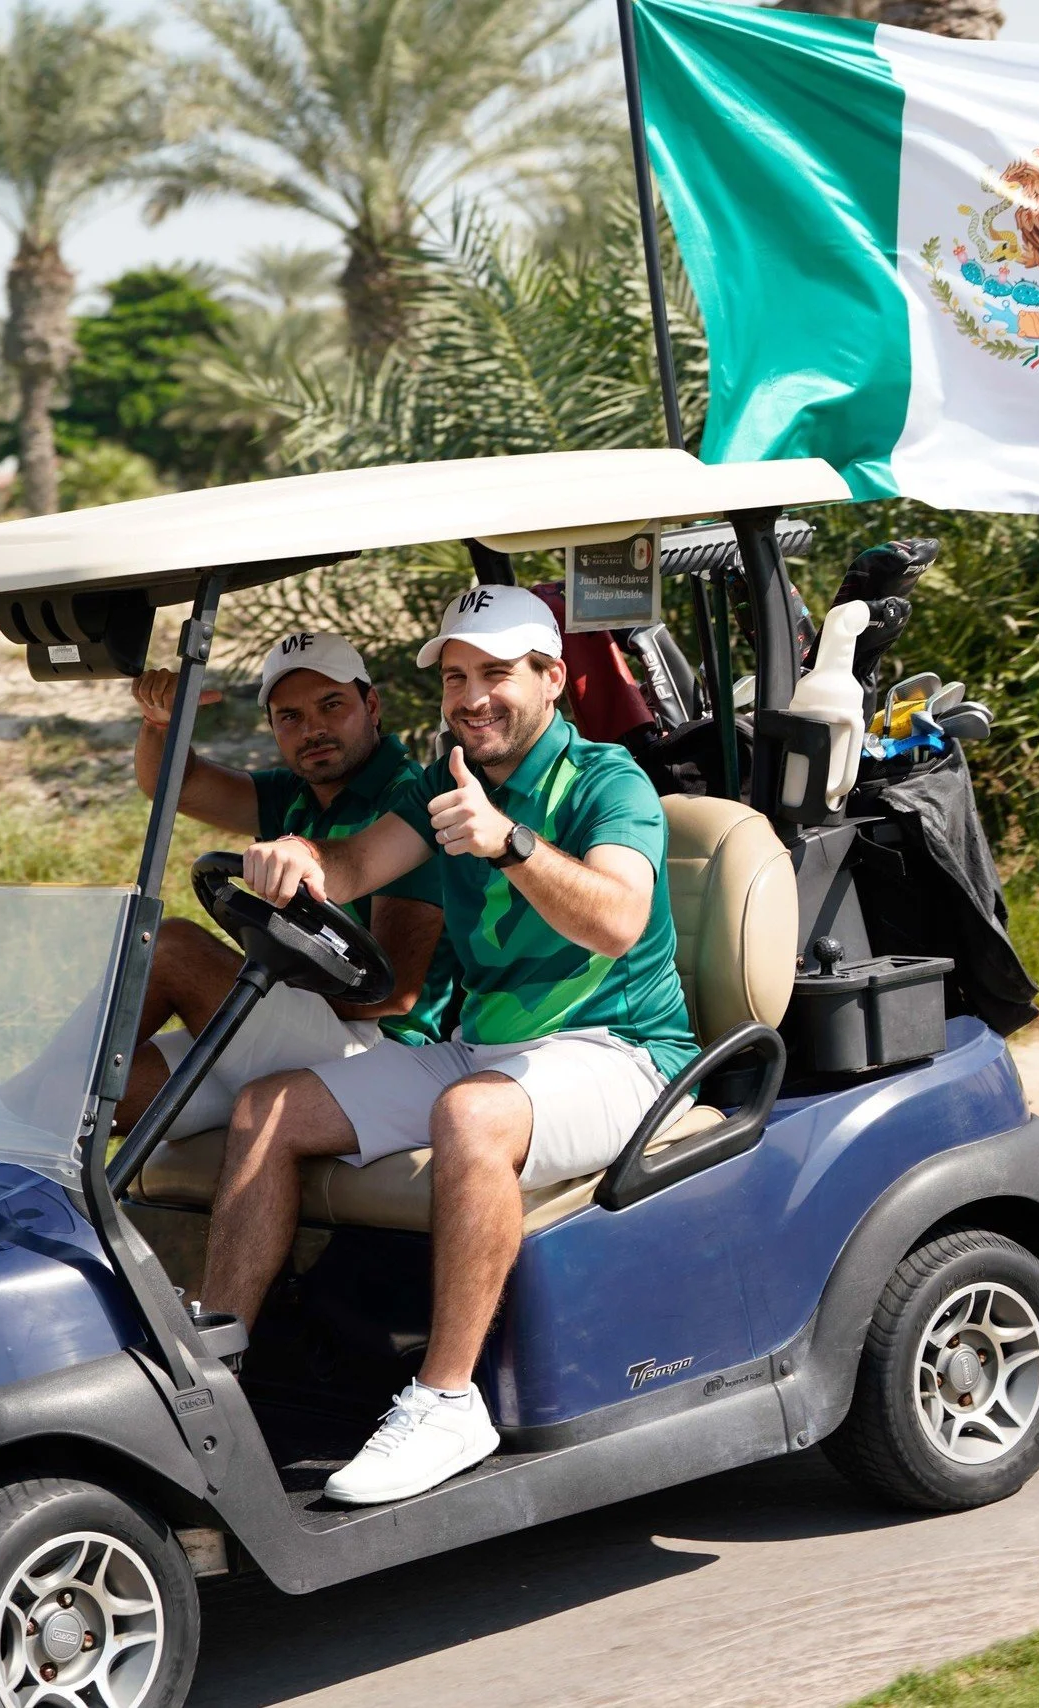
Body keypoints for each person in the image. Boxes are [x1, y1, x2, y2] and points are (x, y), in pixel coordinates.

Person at [201, 586, 698, 1505]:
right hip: (488, 1048)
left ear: (551, 678)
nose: (471, 697)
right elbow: (352, 866)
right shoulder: (443, 783)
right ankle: (213, 1378)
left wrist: (509, 844)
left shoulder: (606, 781)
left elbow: (620, 919)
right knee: (270, 1106)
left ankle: (446, 1398)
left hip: (622, 1051)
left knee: (468, 1115)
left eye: (496, 674)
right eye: (456, 677)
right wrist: (303, 863)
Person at [114, 631, 457, 1141]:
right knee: (96, 1103)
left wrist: (256, 986)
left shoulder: (407, 800)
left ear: (372, 705)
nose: (313, 729)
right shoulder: (293, 796)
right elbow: (176, 785)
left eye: (331, 705)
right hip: (306, 1025)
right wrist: (160, 724)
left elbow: (395, 995)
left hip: (381, 1049)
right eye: (290, 717)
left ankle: (7, 1116)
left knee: (175, 949)